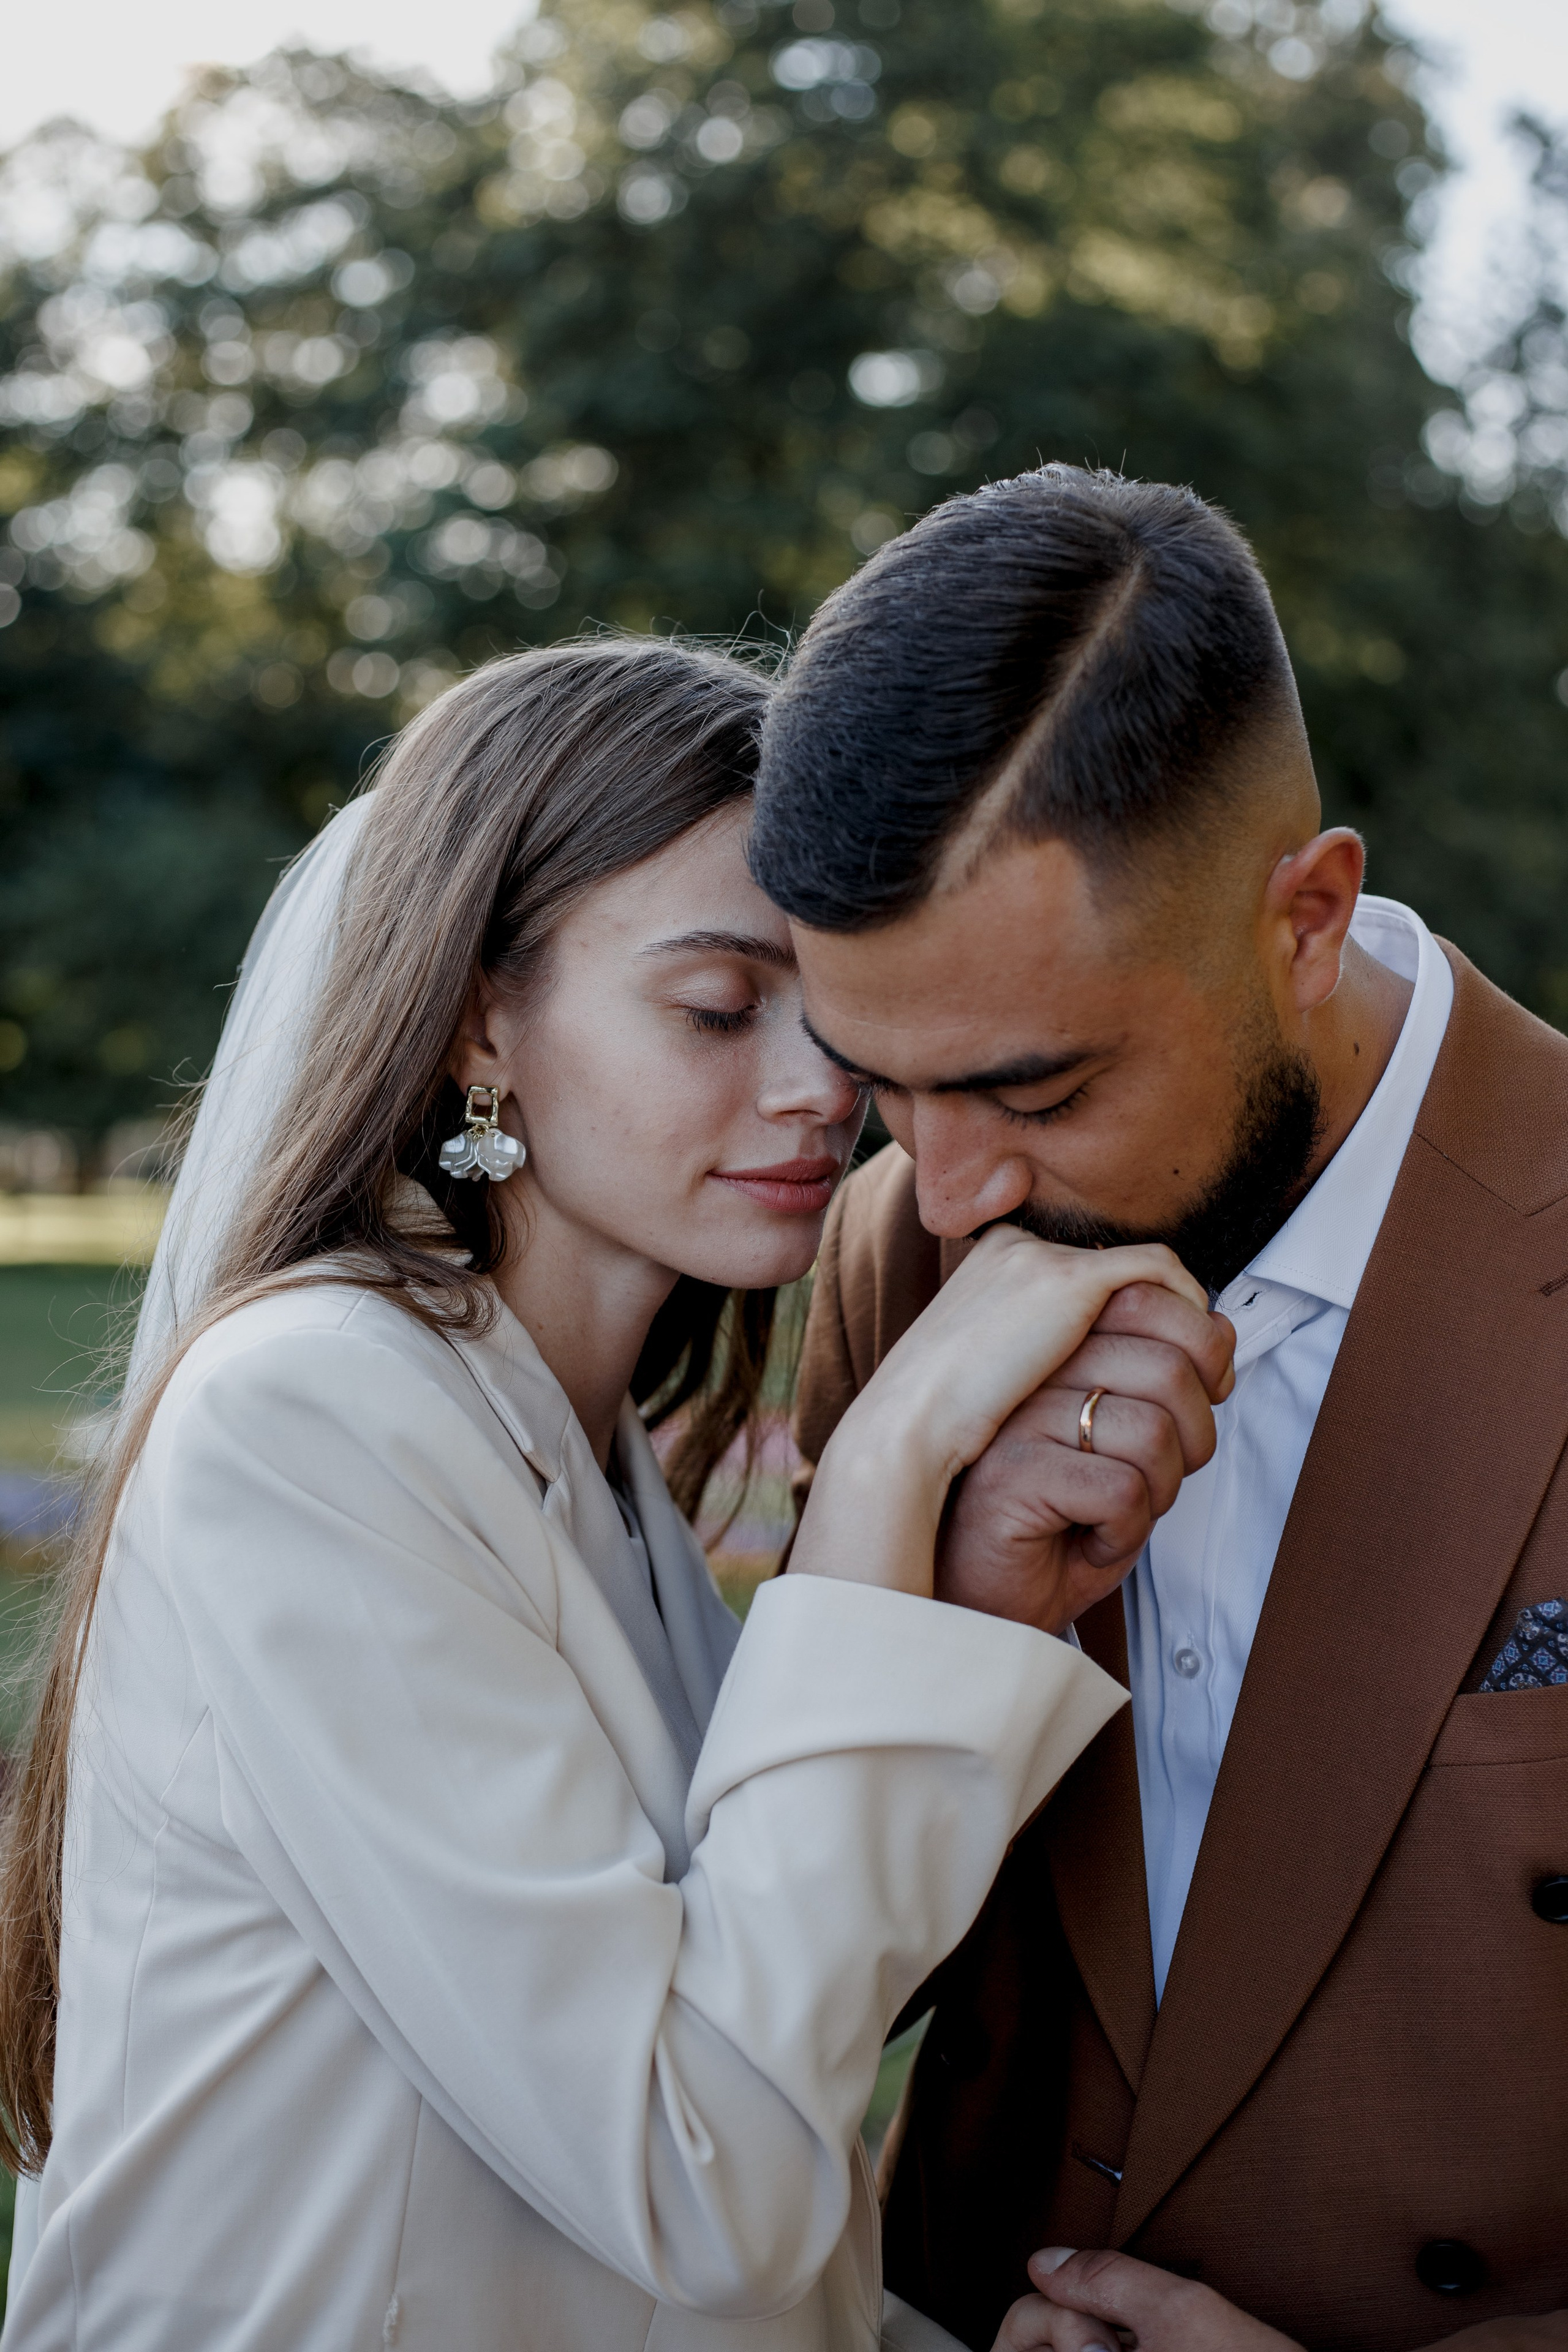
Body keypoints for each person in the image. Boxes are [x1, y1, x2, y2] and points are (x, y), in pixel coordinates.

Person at [0, 637, 1229, 2352]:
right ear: (478, 1025)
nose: (820, 1092)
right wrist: (884, 1472)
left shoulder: (587, 1461)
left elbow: (741, 2053)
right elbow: (697, 2185)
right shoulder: (313, 1420)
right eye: (720, 1006)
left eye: (838, 1013)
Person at [750, 468, 1568, 2352]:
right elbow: (822, 1986)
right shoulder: (903, 1256)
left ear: (1308, 917)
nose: (944, 1190)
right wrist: (934, 1620)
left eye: (1032, 1093)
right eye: (884, 1082)